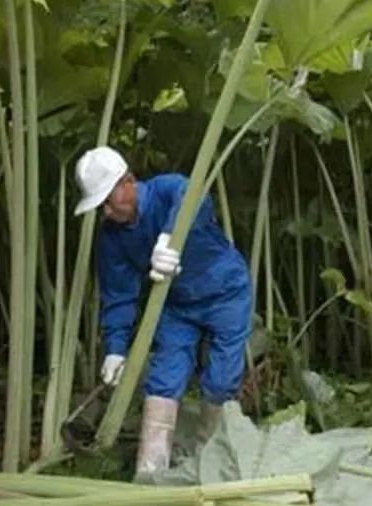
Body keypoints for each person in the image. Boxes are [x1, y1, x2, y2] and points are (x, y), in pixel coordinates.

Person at [74, 145, 252, 477]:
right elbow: (118, 295)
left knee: (221, 380)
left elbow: (194, 197)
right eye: (100, 207)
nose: (107, 213)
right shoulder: (111, 237)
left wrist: (169, 238)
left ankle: (209, 466)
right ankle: (150, 473)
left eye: (107, 202)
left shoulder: (168, 189)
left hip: (225, 290)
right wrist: (114, 350)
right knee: (164, 378)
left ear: (127, 182)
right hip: (175, 305)